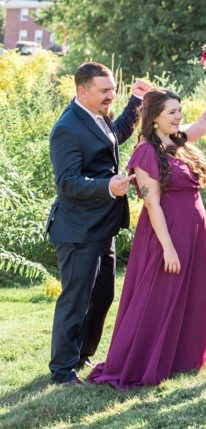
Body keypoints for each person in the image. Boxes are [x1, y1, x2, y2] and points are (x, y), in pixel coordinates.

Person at [90, 73, 206, 388]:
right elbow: (151, 204)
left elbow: (205, 122)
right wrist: (167, 247)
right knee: (161, 297)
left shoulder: (178, 141)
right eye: (172, 113)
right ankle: (148, 357)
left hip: (194, 232)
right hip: (166, 234)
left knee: (195, 293)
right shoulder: (146, 152)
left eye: (179, 112)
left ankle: (181, 356)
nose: (179, 117)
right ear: (154, 118)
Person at [46, 62, 150, 385]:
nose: (110, 96)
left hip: (103, 228)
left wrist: (134, 102)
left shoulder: (97, 116)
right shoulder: (67, 128)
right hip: (78, 230)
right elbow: (67, 183)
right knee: (76, 298)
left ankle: (82, 354)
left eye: (113, 90)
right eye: (104, 91)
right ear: (82, 91)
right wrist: (107, 187)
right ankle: (63, 370)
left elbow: (114, 136)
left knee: (103, 295)